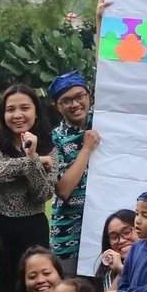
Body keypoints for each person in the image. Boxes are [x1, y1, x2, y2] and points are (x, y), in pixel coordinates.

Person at [0, 84, 59, 275]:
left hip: (32, 228)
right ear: (3, 114)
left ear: (36, 113)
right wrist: (32, 162)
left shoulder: (49, 148)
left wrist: (32, 156)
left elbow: (42, 194)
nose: (17, 115)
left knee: (31, 282)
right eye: (10, 109)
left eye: (25, 108)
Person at [47, 72, 100, 263]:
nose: (75, 104)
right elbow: (63, 190)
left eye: (80, 96)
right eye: (66, 101)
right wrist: (86, 149)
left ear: (89, 96)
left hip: (107, 223)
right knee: (70, 280)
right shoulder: (54, 139)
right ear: (57, 106)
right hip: (69, 232)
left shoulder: (106, 122)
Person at [89, 207, 137, 292]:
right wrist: (120, 270)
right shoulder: (110, 271)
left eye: (127, 232)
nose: (121, 241)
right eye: (114, 237)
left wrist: (122, 269)